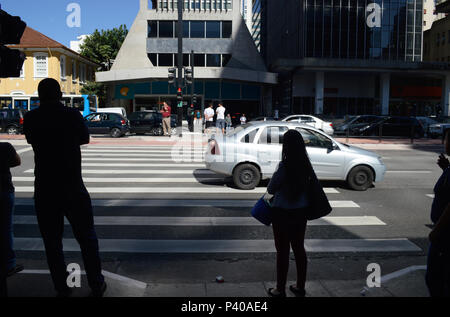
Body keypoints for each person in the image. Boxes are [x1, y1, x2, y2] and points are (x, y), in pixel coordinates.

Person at [23, 78, 106, 297]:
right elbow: (84, 139)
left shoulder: (31, 118)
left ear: (39, 96)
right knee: (87, 237)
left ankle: (62, 287)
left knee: (52, 242)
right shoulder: (72, 115)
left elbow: (32, 139)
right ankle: (96, 284)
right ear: (60, 94)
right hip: (72, 184)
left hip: (45, 187)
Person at [266, 129, 320, 297]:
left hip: (282, 213)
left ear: (286, 146)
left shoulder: (284, 166)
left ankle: (280, 289)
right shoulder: (306, 165)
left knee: (282, 251)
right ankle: (300, 286)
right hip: (300, 213)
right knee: (299, 248)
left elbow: (271, 188)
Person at [426, 129, 450, 297]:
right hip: (443, 233)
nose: (444, 142)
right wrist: (446, 168)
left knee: (436, 277)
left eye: (447, 139)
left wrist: (437, 231)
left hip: (445, 235)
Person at [0, 142, 22, 297]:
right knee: (6, 229)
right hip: (4, 191)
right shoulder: (5, 147)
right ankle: (9, 264)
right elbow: (17, 161)